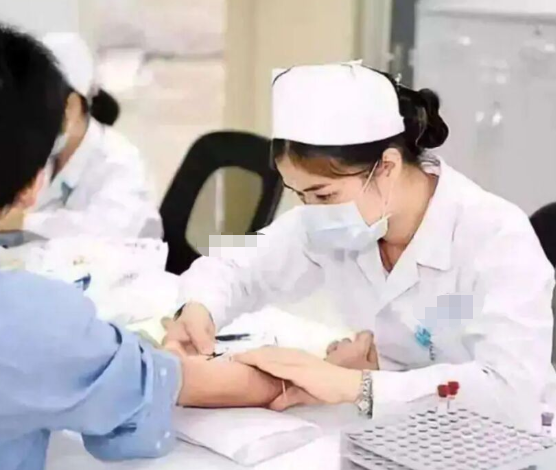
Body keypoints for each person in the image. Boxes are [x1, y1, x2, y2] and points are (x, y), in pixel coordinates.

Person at [0, 19, 283, 470]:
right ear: (30, 186)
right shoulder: (34, 321)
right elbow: (166, 383)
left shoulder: (118, 160)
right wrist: (296, 379)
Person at [164, 62, 556, 426]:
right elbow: (236, 265)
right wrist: (199, 308)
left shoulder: (495, 237)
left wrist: (355, 385)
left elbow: (510, 393)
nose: (311, 210)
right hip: (391, 429)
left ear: (387, 167)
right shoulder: (335, 221)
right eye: (300, 195)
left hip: (496, 441)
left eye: (323, 194)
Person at [19, 32, 162, 240]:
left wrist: (20, 222)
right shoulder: (43, 154)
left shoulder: (121, 163)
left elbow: (102, 233)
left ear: (73, 106)